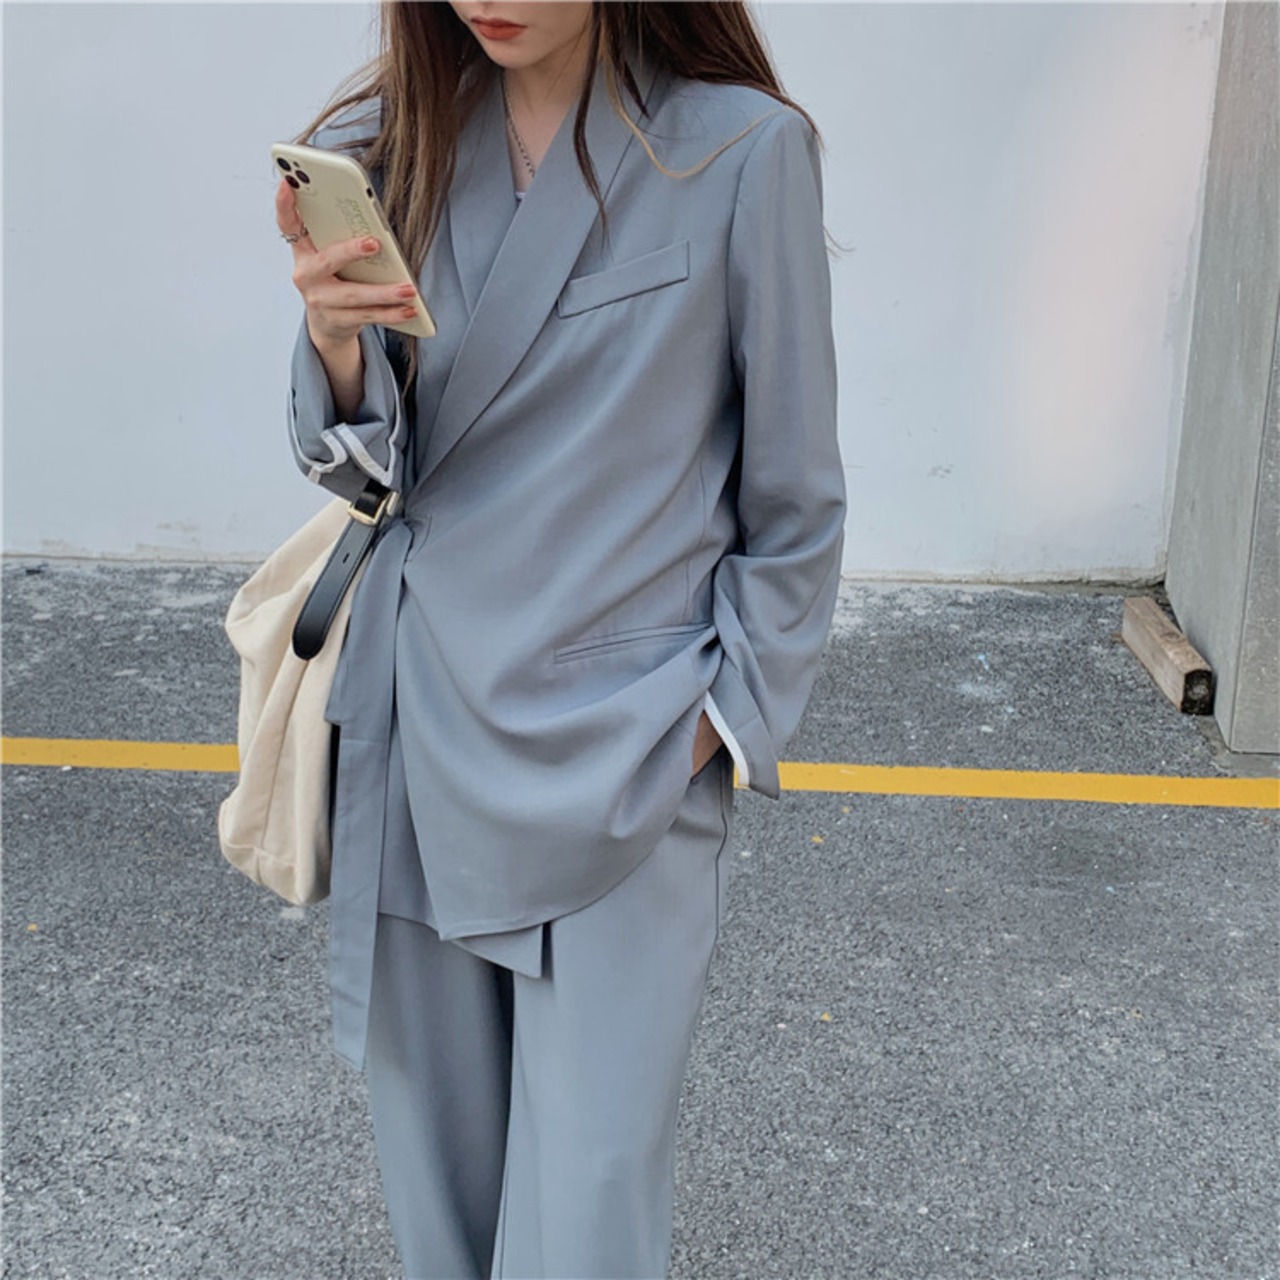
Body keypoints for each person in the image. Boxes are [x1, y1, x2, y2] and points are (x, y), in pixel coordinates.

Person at [275, 2, 844, 1276]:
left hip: (620, 753)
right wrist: (331, 341)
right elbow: (363, 473)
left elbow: (795, 496)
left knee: (584, 1219)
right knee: (439, 1210)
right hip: (418, 727)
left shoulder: (738, 152)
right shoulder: (394, 144)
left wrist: (713, 723)